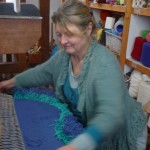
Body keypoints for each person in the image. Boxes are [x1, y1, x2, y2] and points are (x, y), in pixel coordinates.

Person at [0, 0, 147, 150]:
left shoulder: (104, 63)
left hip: (125, 133)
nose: (63, 41)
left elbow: (109, 114)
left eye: (69, 34)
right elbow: (41, 72)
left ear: (88, 29)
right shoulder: (63, 56)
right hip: (92, 131)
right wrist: (8, 83)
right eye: (59, 34)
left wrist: (74, 146)